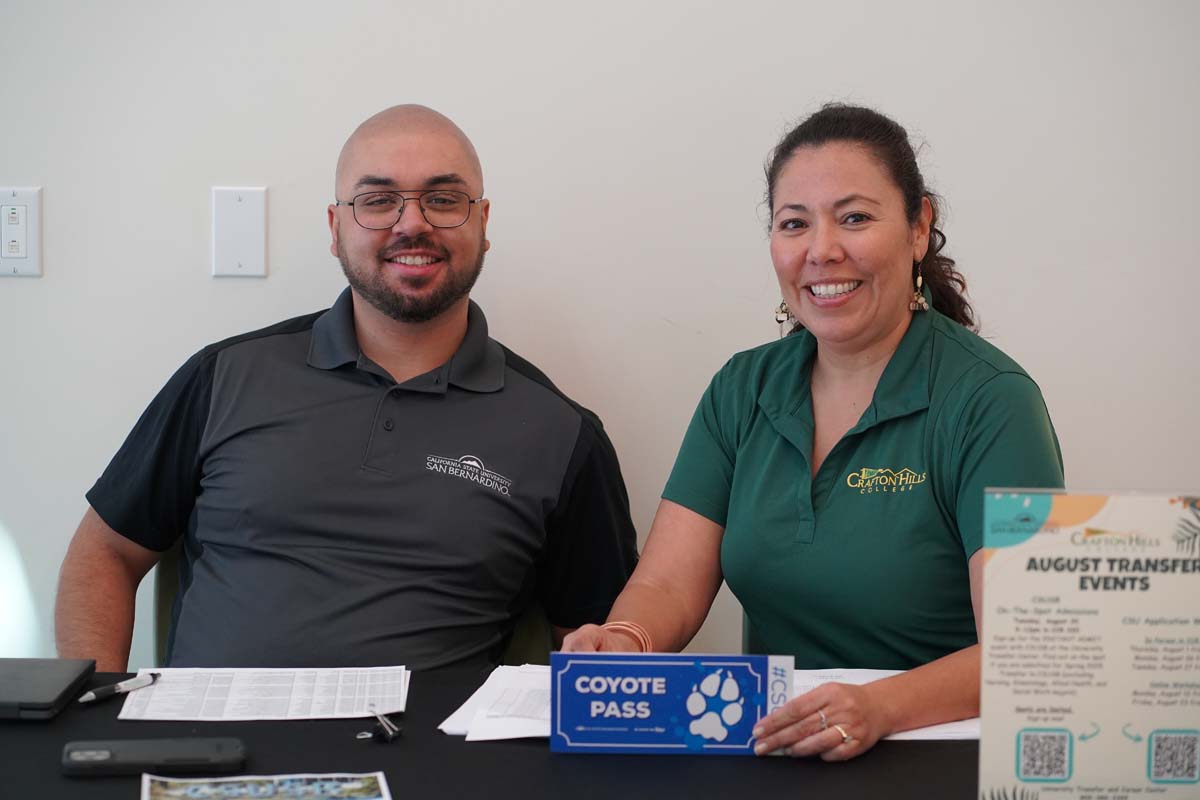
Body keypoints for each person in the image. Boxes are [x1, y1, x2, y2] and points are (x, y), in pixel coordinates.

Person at [55, 105, 638, 672]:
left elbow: (598, 648)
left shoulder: (562, 434)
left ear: (483, 224)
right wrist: (98, 716)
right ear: (336, 229)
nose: (412, 223)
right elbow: (104, 552)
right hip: (213, 753)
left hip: (437, 764)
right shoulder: (223, 377)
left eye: (443, 199)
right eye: (378, 200)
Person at [563, 104, 1064, 760]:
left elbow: (1024, 649)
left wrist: (877, 708)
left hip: (930, 751)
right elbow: (666, 585)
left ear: (918, 228)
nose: (822, 250)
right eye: (794, 223)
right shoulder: (741, 390)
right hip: (782, 749)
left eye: (854, 217)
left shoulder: (992, 403)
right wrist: (625, 639)